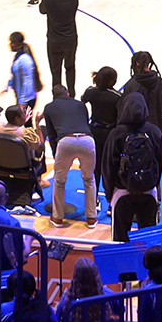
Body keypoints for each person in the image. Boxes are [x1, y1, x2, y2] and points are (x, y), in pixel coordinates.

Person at [105, 92, 162, 242]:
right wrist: (154, 184)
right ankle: (148, 265)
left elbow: (108, 165)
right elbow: (160, 161)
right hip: (148, 192)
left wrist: (109, 193)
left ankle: (123, 266)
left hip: (122, 192)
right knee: (148, 240)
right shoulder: (154, 131)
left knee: (120, 240)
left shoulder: (116, 133)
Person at [42, 83, 100, 226]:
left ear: (53, 97)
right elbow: (86, 123)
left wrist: (57, 154)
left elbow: (51, 134)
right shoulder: (80, 105)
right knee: (89, 179)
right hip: (87, 139)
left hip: (65, 140)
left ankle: (57, 218)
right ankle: (91, 218)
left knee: (59, 181)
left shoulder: (49, 107)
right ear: (68, 94)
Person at [4, 31, 41, 114]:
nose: (10, 44)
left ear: (20, 45)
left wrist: (23, 102)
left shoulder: (25, 60)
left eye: (12, 42)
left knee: (27, 124)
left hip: (27, 99)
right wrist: (8, 85)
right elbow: (15, 74)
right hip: (23, 97)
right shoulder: (18, 56)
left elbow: (28, 82)